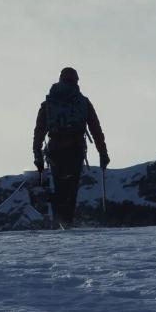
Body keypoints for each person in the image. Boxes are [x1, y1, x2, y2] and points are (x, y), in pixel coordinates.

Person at [32, 67, 109, 229]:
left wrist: (37, 153)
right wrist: (103, 152)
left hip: (55, 149)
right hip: (75, 148)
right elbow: (96, 129)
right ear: (76, 81)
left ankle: (58, 221)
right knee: (71, 187)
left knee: (59, 185)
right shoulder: (83, 102)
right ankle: (68, 223)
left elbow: (39, 131)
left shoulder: (49, 103)